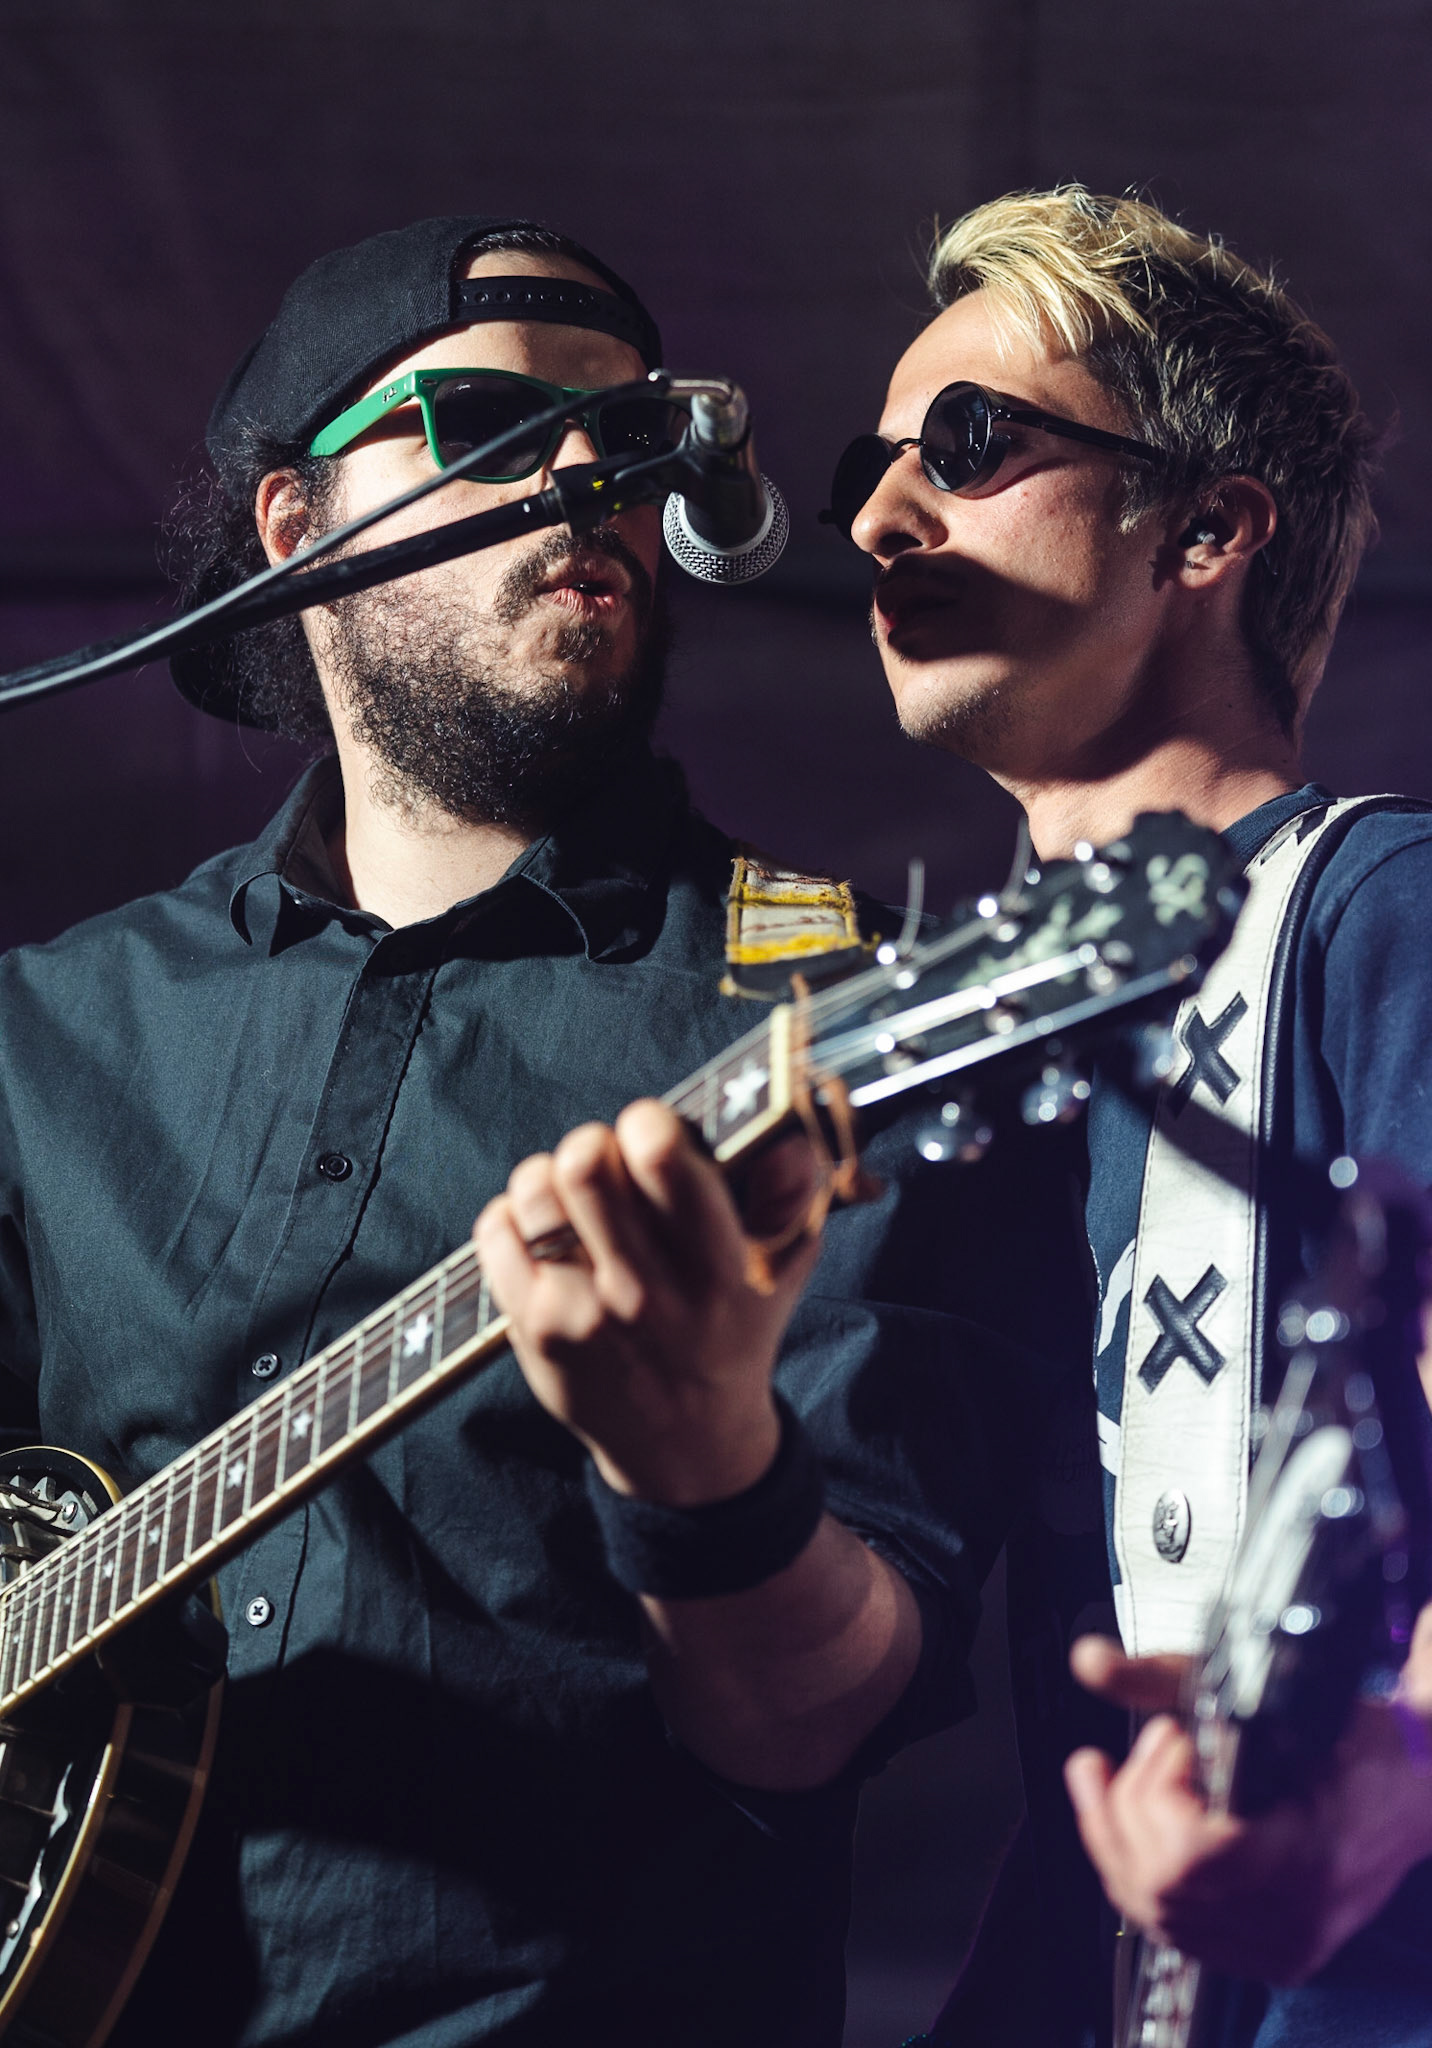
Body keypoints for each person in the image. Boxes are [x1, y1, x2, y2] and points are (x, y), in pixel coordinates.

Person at [0, 215, 1092, 2046]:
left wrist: (700, 1466)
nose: (584, 471)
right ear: (295, 526)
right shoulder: (48, 1032)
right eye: (491, 423)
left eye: (627, 434)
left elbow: (822, 1714)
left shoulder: (823, 1017)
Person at [820, 187, 1432, 2044]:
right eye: (871, 468)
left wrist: (1392, 1776)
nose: (878, 517)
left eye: (968, 442)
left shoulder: (1388, 904)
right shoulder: (982, 1053)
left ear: (1204, 528)